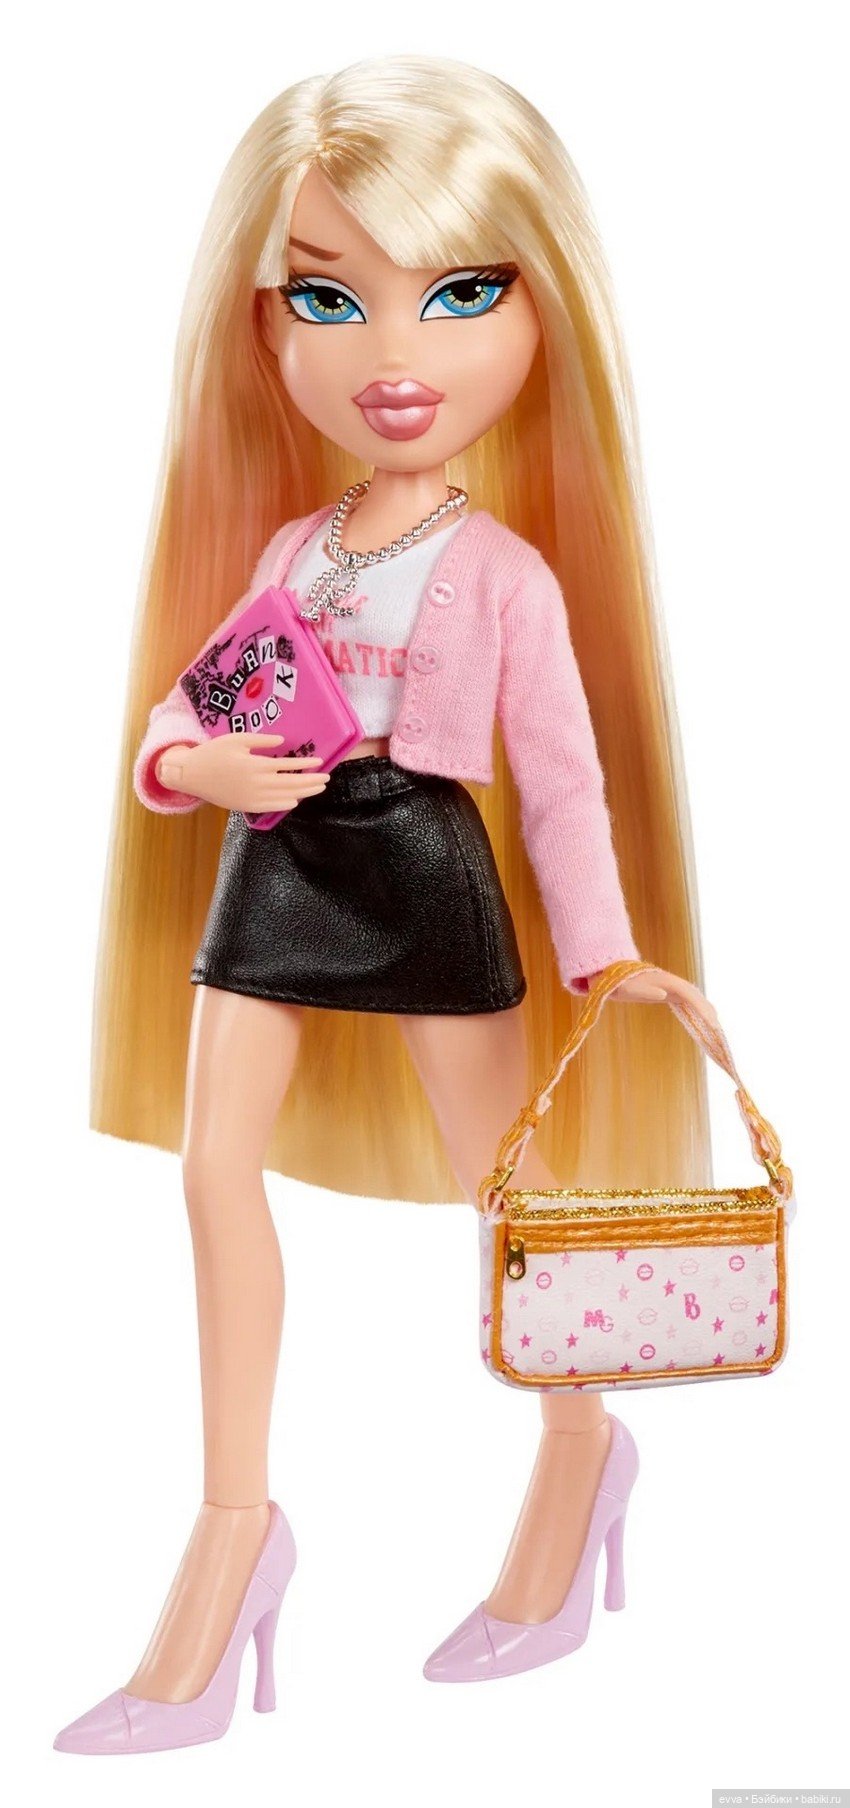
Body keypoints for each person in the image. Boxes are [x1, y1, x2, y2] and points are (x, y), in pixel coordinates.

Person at [56, 54, 719, 1752]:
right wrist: (184, 764)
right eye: (330, 297)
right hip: (278, 869)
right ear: (265, 326)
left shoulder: (503, 574)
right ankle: (232, 1532)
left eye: (462, 292)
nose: (395, 354)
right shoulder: (295, 550)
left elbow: (559, 786)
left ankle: (578, 1445)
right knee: (212, 1172)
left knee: (507, 1186)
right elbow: (196, 700)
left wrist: (610, 958)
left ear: (542, 309)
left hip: (424, 876)